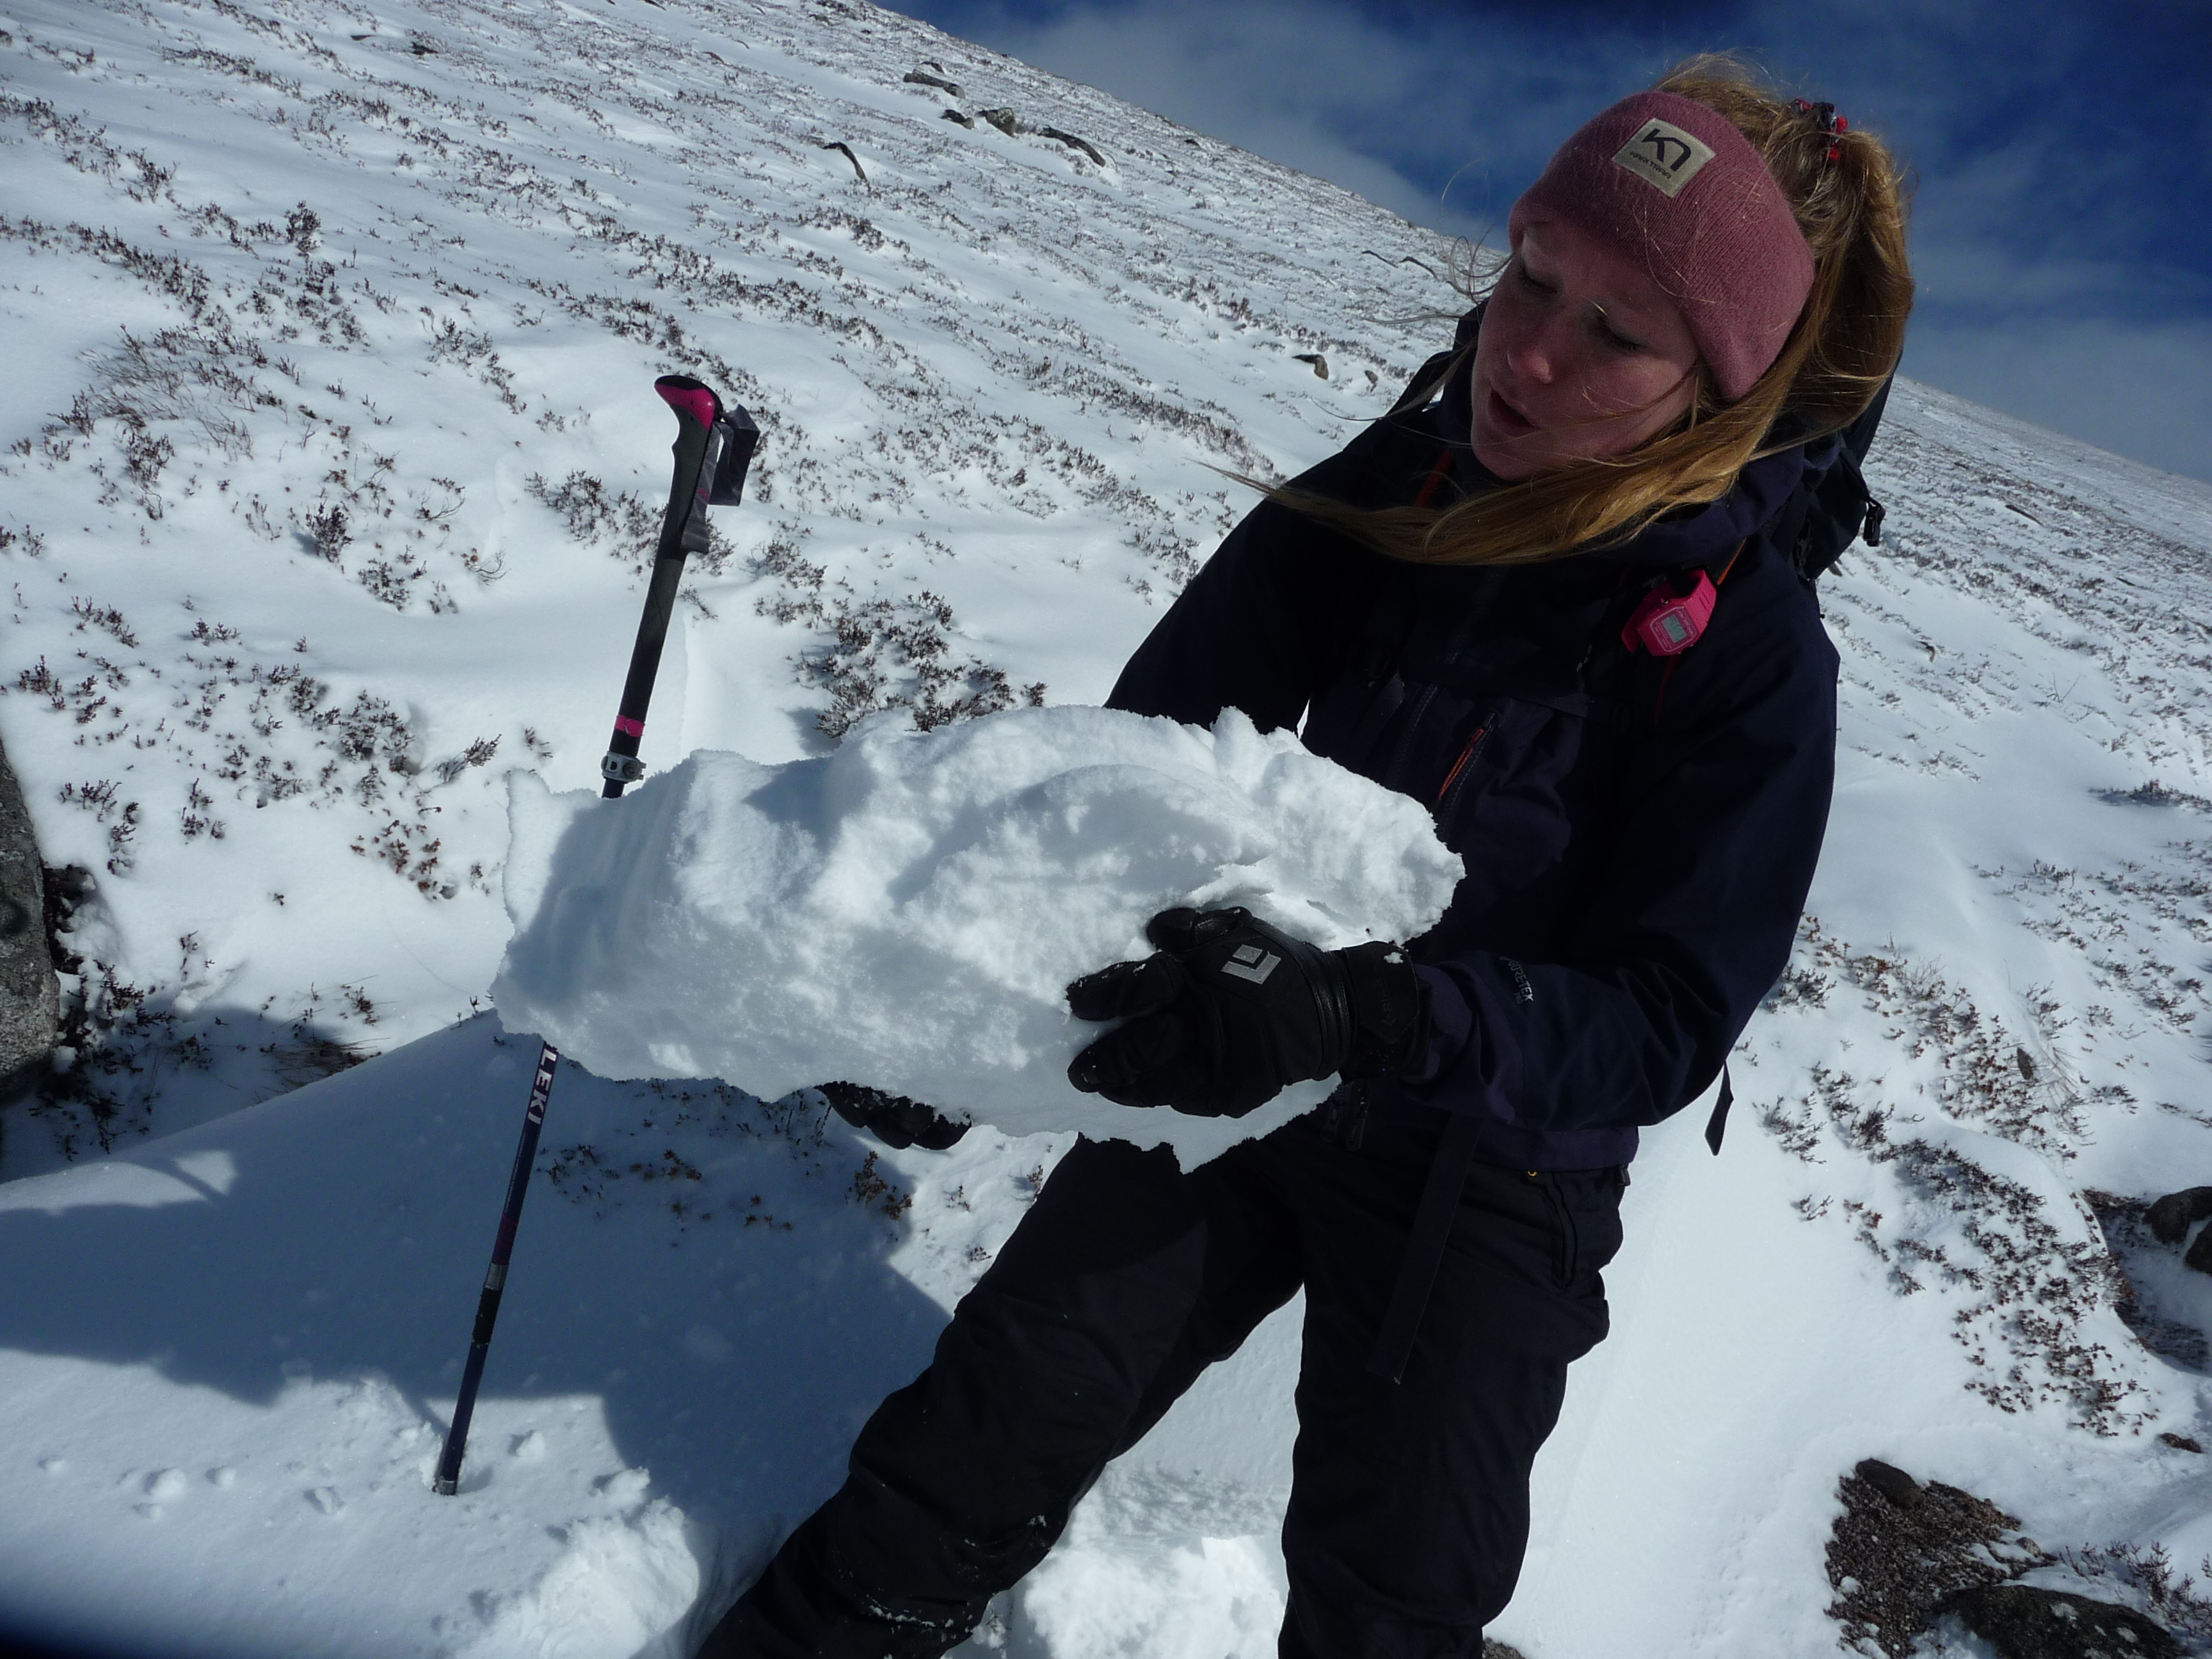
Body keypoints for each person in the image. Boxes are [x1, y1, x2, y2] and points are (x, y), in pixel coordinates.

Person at [701, 56, 1912, 1659]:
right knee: (975, 1439)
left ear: (1722, 390)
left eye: (1618, 333)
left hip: (1494, 1166)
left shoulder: (1748, 654)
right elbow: (1138, 759)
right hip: (1239, 1051)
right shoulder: (1399, 489)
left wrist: (1370, 1015)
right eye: (1532, 272)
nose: (1527, 351)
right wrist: (979, 1007)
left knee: (1392, 1602)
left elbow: (1663, 1017)